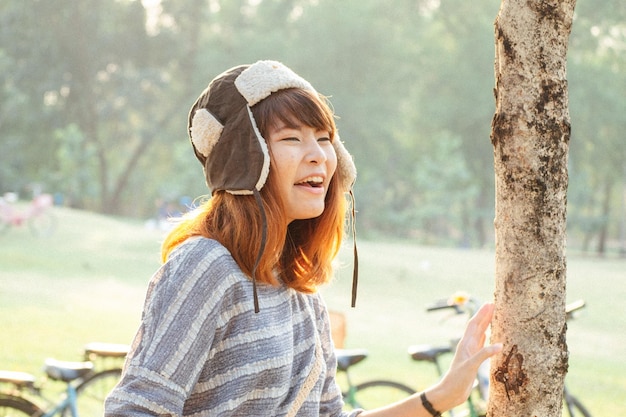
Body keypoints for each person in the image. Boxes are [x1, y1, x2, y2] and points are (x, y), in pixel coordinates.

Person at [104, 60, 502, 417]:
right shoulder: (205, 266)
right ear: (247, 161)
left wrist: (441, 396)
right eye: (291, 138)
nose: (318, 156)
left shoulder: (300, 290)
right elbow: (134, 410)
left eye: (324, 138)